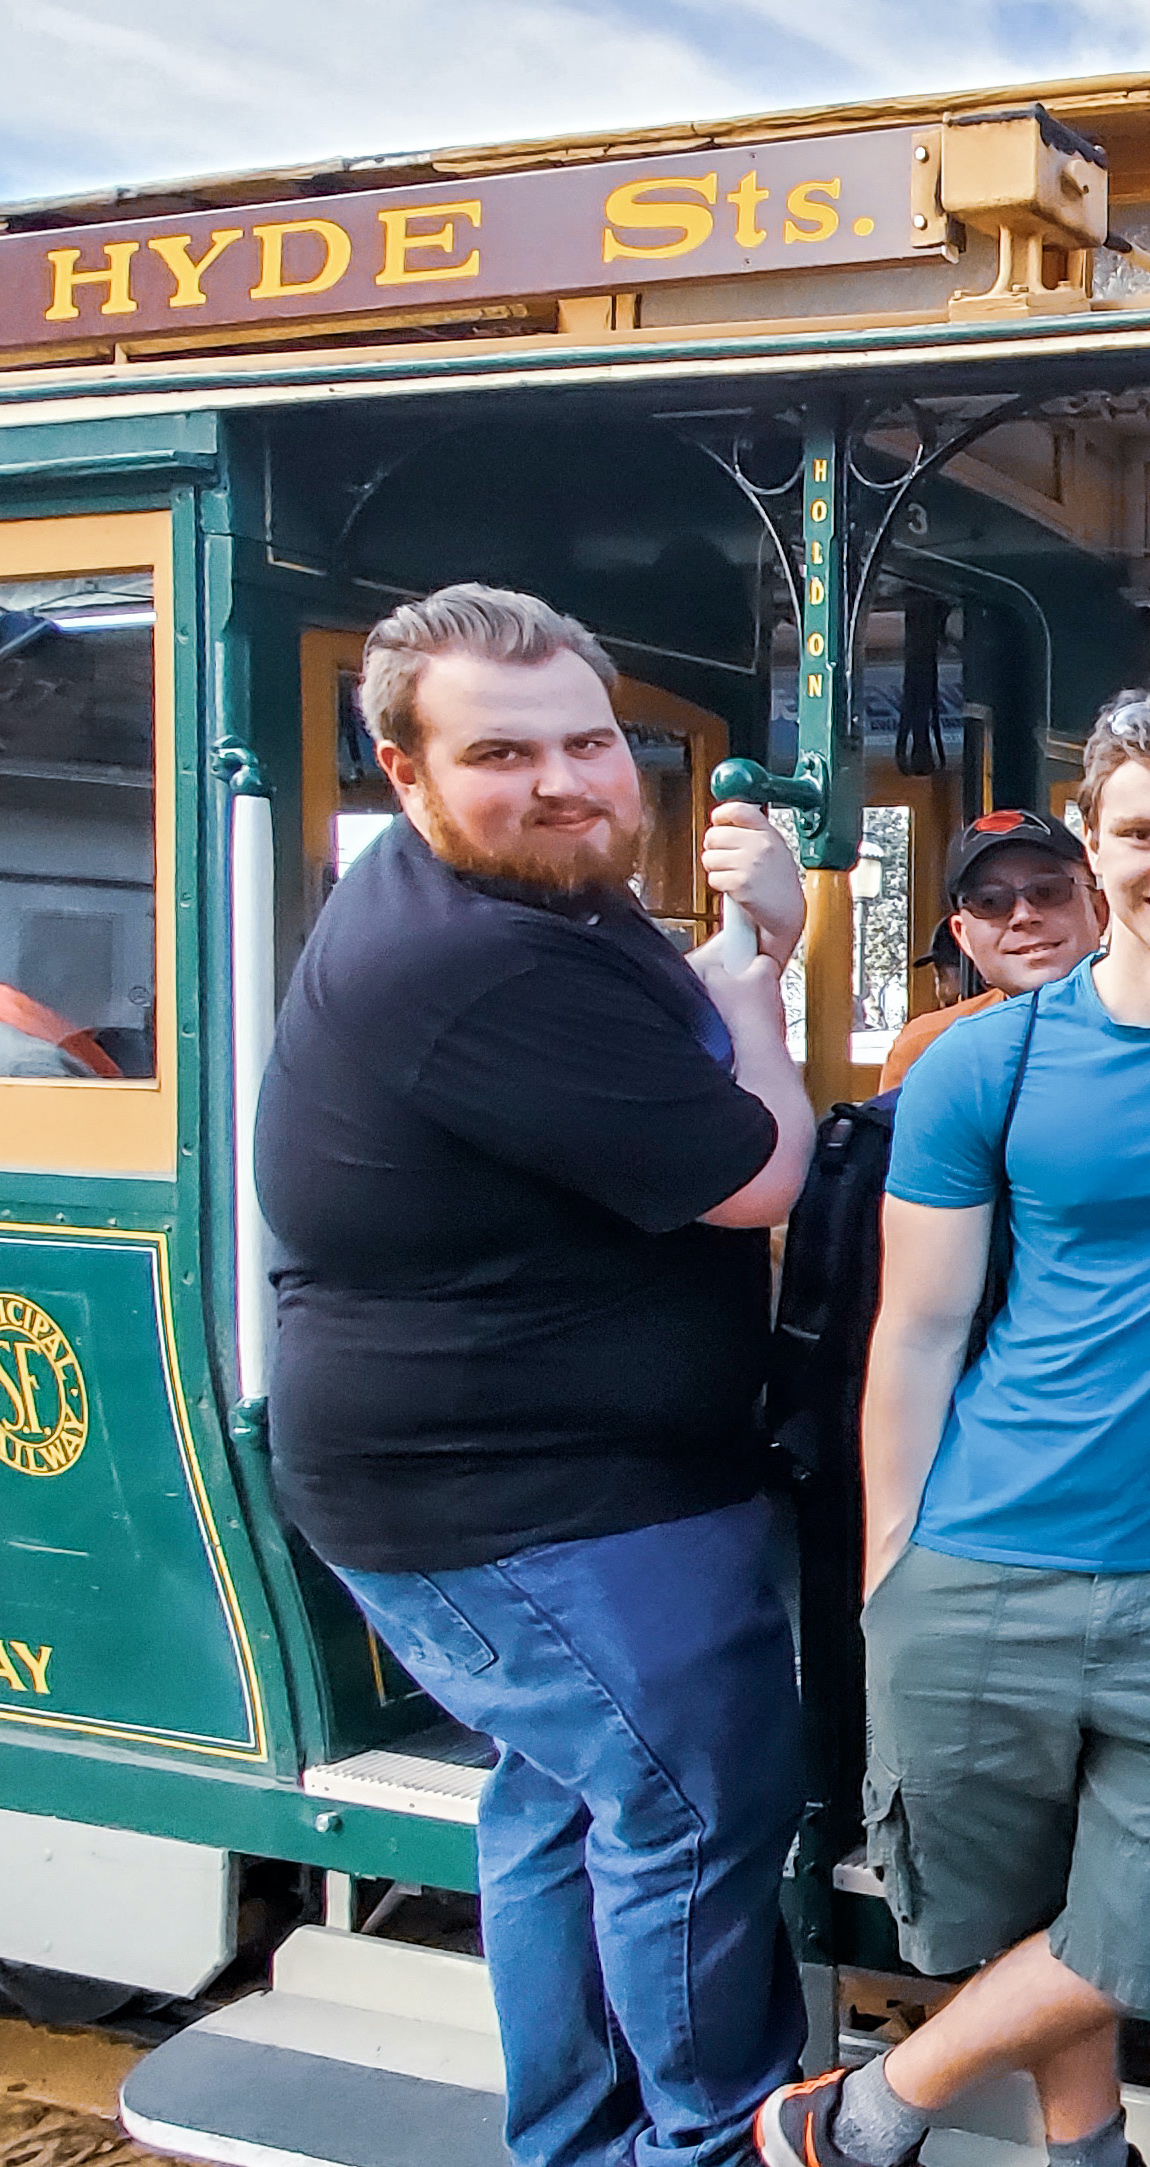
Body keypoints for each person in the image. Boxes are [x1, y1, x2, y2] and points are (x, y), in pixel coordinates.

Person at [758, 686, 1150, 2167]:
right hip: (988, 1548)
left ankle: (862, 2110)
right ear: (1098, 850)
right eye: (1142, 833)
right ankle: (1085, 2150)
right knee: (1020, 1915)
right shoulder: (984, 1063)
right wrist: (888, 1566)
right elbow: (913, 1332)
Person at [255, 584, 818, 2167]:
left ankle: (575, 2138)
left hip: (516, 1475)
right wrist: (764, 981)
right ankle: (709, 2140)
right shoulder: (478, 961)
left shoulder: (534, 898)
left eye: (593, 739)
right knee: (696, 1803)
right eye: (505, 750)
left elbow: (672, 1040)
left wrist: (743, 940)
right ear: (403, 768)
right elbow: (759, 1168)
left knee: (565, 1799)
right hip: (528, 1495)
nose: (569, 779)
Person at [877, 809, 1105, 1088]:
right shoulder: (929, 1048)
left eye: (1047, 891)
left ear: (1098, 911)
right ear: (963, 937)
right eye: (990, 901)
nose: (1023, 915)